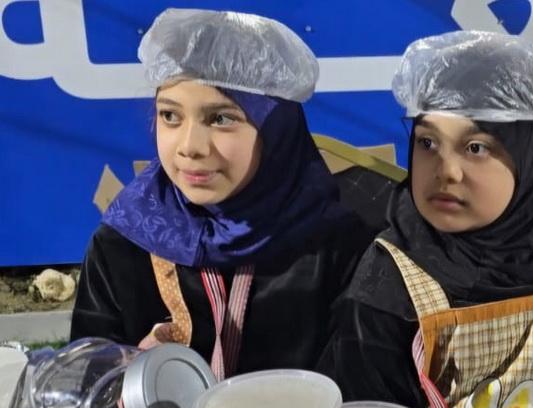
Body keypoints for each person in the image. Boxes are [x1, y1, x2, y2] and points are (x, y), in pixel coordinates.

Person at [318, 31, 533, 408]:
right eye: (427, 143)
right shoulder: (389, 282)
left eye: (476, 148)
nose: (446, 172)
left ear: (532, 157)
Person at [71, 9, 375, 378]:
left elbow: (356, 388)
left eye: (221, 118)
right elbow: (88, 384)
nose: (190, 146)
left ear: (277, 132)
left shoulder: (334, 247)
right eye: (170, 116)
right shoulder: (123, 244)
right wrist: (127, 380)